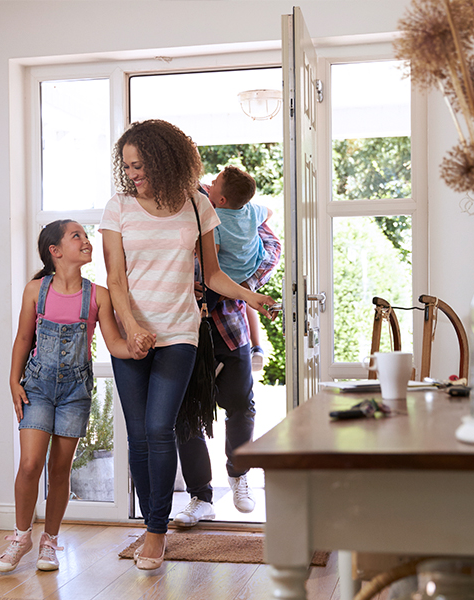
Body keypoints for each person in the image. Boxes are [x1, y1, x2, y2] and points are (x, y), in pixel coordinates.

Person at [100, 119, 276, 570]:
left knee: (160, 428)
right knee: (138, 435)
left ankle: (156, 532)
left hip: (179, 332)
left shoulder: (198, 205)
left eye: (139, 164)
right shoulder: (118, 207)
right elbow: (115, 280)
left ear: (164, 159)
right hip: (131, 335)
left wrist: (250, 295)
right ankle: (150, 526)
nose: (133, 173)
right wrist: (133, 328)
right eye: (128, 166)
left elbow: (214, 274)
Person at [0, 220, 152, 573]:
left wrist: (136, 349)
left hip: (74, 391)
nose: (86, 240)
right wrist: (13, 381)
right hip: (36, 386)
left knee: (60, 468)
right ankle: (21, 536)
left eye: (85, 235)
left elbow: (113, 343)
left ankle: (49, 542)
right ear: (55, 251)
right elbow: (24, 339)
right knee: (29, 464)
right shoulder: (36, 290)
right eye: (77, 236)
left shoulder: (98, 295)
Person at [174, 221, 281, 527]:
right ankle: (200, 498)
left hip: (231, 331)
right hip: (183, 331)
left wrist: (241, 284)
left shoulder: (225, 212)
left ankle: (238, 473)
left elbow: (272, 246)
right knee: (188, 415)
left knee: (241, 408)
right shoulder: (164, 215)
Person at [205, 165, 273, 372]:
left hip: (225, 278)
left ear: (222, 200)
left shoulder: (215, 220)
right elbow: (269, 212)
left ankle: (210, 362)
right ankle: (257, 348)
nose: (211, 184)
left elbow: (212, 255)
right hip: (251, 267)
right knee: (247, 298)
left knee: (203, 307)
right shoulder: (251, 210)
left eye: (215, 183)